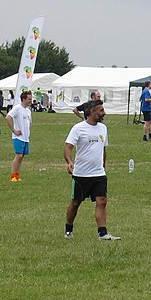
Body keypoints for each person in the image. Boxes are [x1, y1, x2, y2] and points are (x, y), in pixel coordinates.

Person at [64, 99, 119, 240]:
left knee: (102, 201)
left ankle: (103, 233)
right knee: (76, 203)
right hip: (81, 174)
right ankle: (68, 230)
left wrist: (104, 167)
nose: (104, 113)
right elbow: (68, 148)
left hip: (99, 173)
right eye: (101, 110)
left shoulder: (103, 128)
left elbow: (103, 149)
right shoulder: (78, 128)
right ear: (92, 112)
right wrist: (69, 162)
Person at [6, 90, 33, 182]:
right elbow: (8, 117)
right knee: (18, 155)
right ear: (23, 99)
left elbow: (30, 123)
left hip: (26, 138)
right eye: (29, 99)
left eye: (31, 99)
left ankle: (17, 175)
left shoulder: (28, 111)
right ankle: (13, 175)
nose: (30, 101)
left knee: (22, 157)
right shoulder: (17, 108)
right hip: (18, 137)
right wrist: (14, 130)